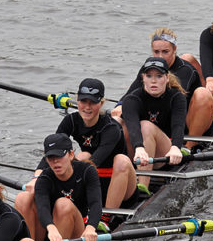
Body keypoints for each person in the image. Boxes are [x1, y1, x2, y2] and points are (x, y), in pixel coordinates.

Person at [24, 79, 136, 230]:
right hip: (93, 179)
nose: (87, 107)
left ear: (101, 103)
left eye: (93, 102)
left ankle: (105, 218)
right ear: (77, 100)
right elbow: (52, 151)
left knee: (119, 160)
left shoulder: (111, 128)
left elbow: (95, 162)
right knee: (81, 155)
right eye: (83, 101)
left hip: (118, 182)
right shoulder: (70, 120)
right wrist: (37, 177)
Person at [14, 133, 102, 241]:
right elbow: (42, 207)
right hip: (52, 232)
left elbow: (96, 203)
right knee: (22, 198)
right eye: (50, 158)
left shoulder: (87, 171)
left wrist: (91, 227)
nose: (55, 162)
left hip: (77, 233)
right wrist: (51, 228)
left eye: (59, 157)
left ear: (71, 154)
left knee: (63, 204)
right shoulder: (45, 177)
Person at [115, 29, 213, 149]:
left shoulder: (186, 70)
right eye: (156, 52)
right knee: (118, 119)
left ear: (174, 50)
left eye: (165, 52)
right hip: (161, 118)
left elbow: (174, 102)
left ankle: (189, 147)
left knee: (203, 93)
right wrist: (121, 105)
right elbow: (133, 90)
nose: (161, 57)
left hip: (185, 120)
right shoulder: (149, 67)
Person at [119, 56, 186, 193]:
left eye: (159, 76)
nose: (153, 81)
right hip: (139, 154)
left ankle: (143, 186)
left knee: (146, 125)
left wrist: (176, 147)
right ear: (143, 78)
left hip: (164, 153)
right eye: (149, 76)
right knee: (118, 123)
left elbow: (178, 125)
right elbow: (132, 125)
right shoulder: (132, 99)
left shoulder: (176, 97)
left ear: (167, 78)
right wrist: (139, 147)